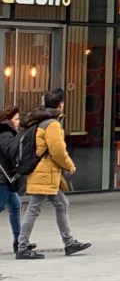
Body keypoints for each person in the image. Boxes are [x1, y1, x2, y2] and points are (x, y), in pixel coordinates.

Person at [16, 89, 90, 259]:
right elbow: (57, 150)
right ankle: (22, 246)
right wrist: (69, 165)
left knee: (61, 204)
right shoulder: (52, 124)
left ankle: (68, 242)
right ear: (60, 104)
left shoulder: (39, 121)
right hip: (46, 173)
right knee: (34, 209)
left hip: (44, 172)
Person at [0, 106, 33, 255]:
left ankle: (18, 241)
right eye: (16, 119)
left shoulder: (8, 132)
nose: (19, 121)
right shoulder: (5, 133)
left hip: (7, 177)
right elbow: (11, 153)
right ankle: (18, 241)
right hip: (3, 178)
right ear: (9, 120)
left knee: (15, 206)